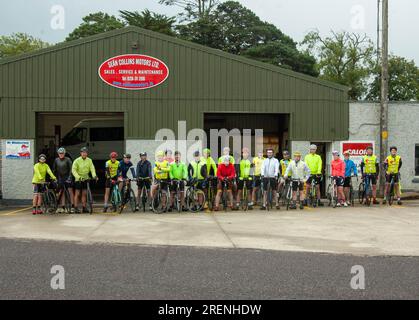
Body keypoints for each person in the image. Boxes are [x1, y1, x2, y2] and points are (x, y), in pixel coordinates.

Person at [72, 147, 97, 213]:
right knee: (77, 193)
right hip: (78, 179)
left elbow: (92, 169)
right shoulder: (77, 160)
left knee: (84, 193)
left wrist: (94, 176)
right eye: (83, 152)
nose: (84, 154)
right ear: (80, 153)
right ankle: (75, 207)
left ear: (87, 153)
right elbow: (73, 170)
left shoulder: (89, 160)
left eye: (85, 152)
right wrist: (79, 177)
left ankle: (84, 207)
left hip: (86, 178)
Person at [52, 147, 74, 213]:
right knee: (62, 192)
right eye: (60, 153)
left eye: (62, 153)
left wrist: (70, 177)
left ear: (64, 153)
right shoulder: (56, 160)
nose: (61, 154)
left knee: (70, 190)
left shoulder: (68, 159)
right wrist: (54, 178)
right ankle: (63, 207)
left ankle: (72, 206)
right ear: (58, 154)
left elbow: (71, 169)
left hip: (67, 176)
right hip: (60, 177)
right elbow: (54, 170)